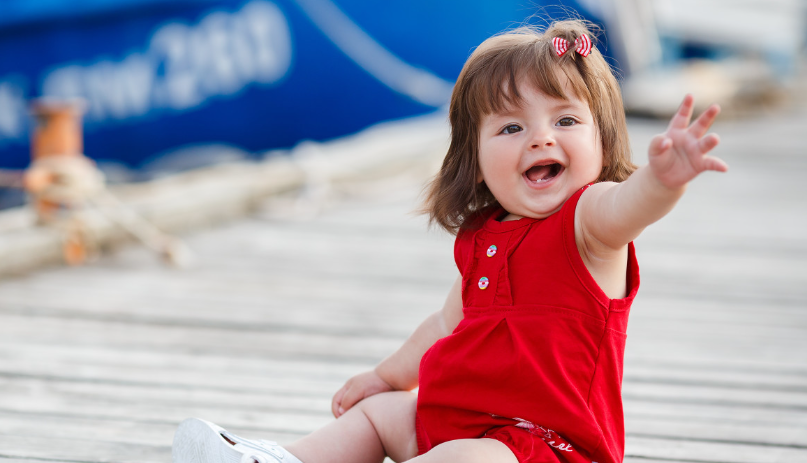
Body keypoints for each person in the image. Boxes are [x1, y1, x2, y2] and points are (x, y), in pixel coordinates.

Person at [172, 18, 727, 463]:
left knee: (469, 457)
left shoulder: (589, 224)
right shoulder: (483, 239)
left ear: (602, 142)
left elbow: (631, 207)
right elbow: (443, 327)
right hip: (456, 419)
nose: (539, 137)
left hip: (544, 447)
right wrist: (384, 377)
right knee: (381, 415)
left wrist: (661, 180)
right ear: (477, 162)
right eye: (511, 128)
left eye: (565, 121)